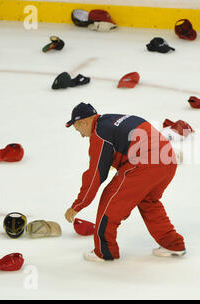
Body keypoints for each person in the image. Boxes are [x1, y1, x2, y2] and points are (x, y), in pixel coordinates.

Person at [64, 102, 186, 262]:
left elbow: (95, 176)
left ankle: (104, 251)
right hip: (168, 158)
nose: (81, 135)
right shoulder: (113, 119)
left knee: (109, 201)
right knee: (148, 201)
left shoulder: (99, 133)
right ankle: (173, 244)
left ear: (83, 122)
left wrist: (77, 205)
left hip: (145, 163)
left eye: (78, 129)